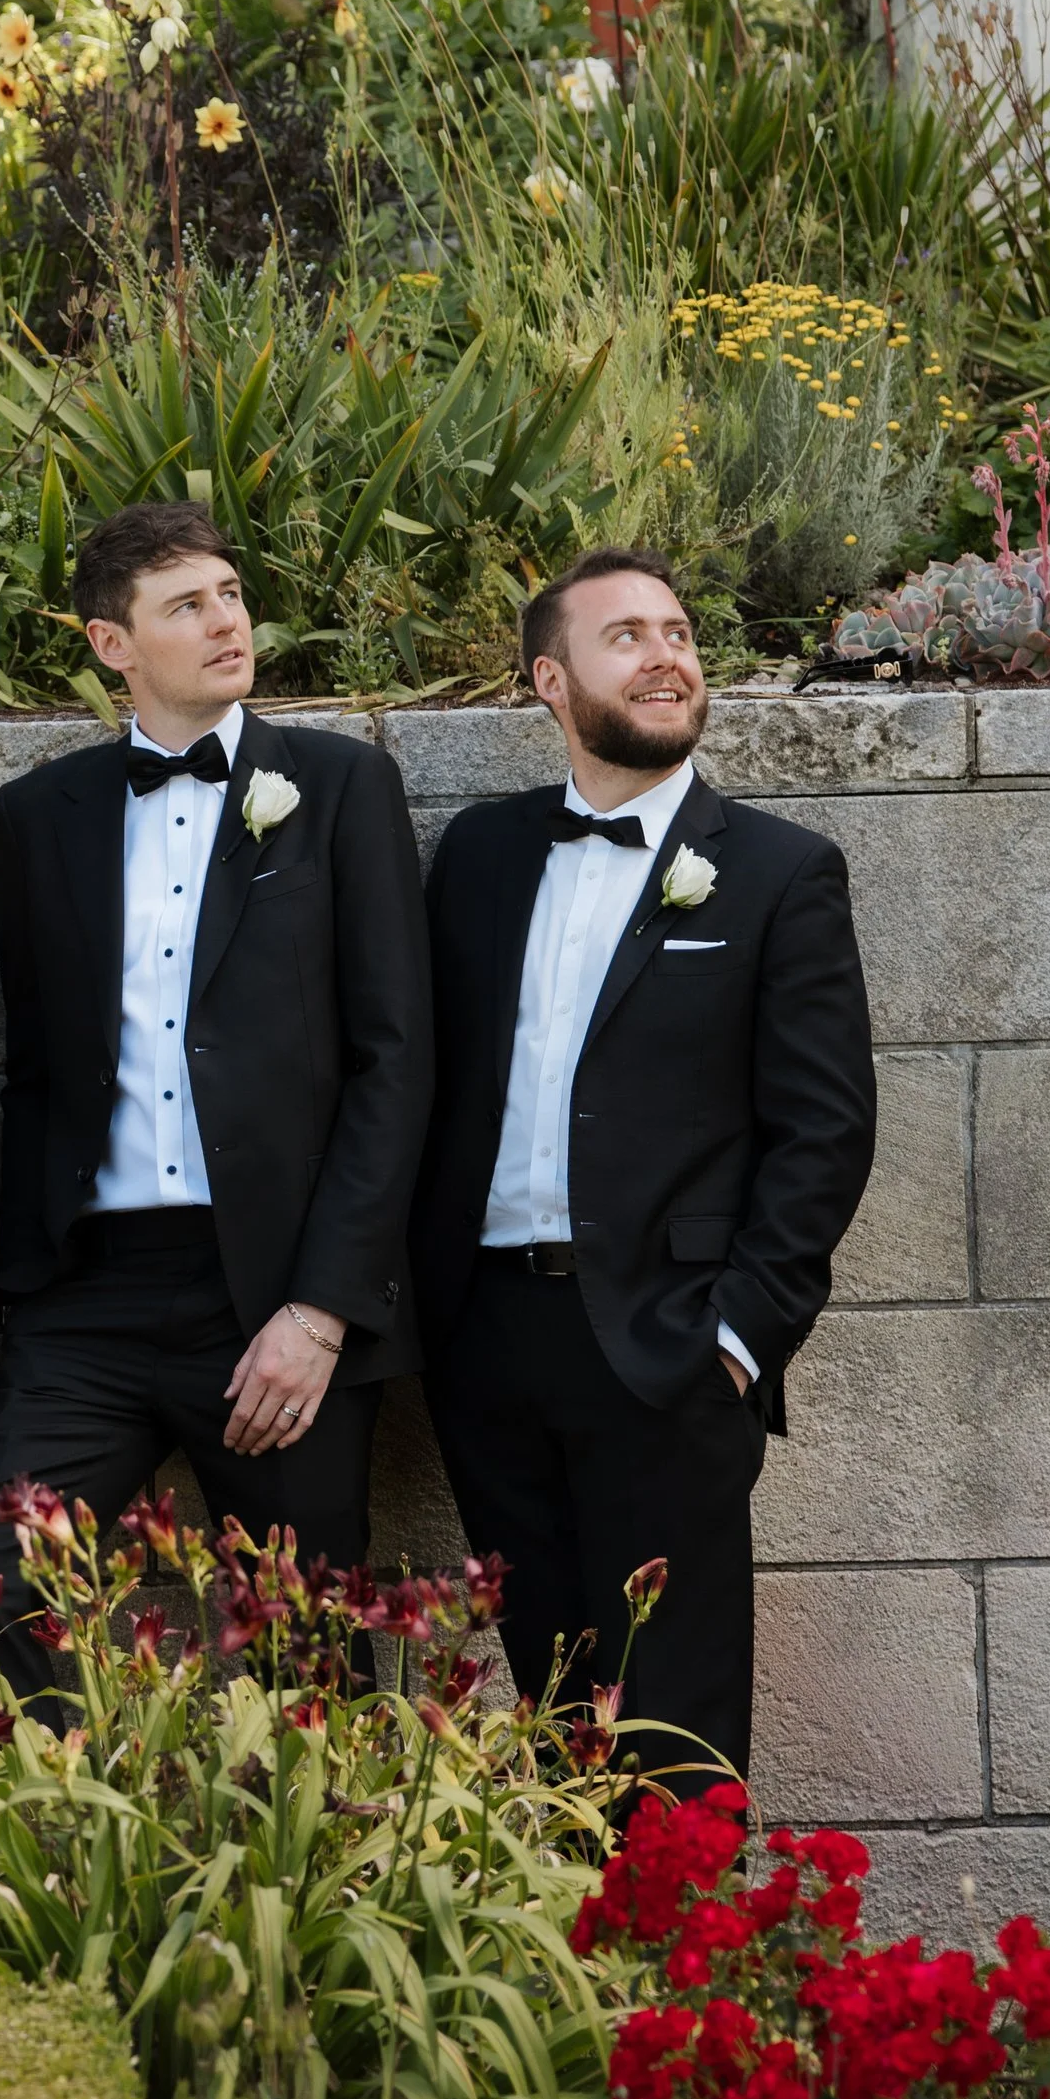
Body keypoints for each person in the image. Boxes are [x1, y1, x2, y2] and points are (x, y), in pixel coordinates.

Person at [410, 547, 878, 1786]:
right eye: (625, 637)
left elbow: (824, 1131)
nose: (666, 655)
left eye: (676, 633)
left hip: (666, 1350)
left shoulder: (778, 871)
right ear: (548, 681)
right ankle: (577, 1924)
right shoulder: (478, 855)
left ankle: (684, 1924)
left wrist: (738, 1339)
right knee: (553, 1712)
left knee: (673, 1729)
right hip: (486, 1343)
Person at [0, 502, 433, 1613]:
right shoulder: (42, 813)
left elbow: (395, 1060)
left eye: (230, 595)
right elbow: (37, 1067)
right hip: (88, 1298)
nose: (226, 622)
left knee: (306, 1642)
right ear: (111, 643)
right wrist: (27, 1284)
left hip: (274, 1292)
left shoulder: (340, 786)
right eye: (185, 606)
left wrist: (322, 1310)